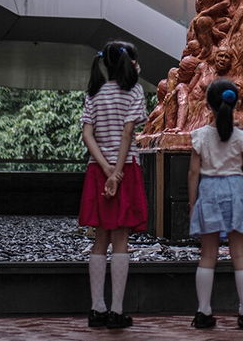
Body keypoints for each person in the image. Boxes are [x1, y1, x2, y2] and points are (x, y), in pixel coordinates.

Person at [79, 40, 148, 329]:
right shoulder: (134, 91)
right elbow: (129, 132)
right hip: (126, 169)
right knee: (121, 239)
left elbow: (87, 135)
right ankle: (117, 312)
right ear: (131, 63)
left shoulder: (94, 92)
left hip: (97, 171)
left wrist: (105, 168)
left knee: (100, 240)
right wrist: (117, 172)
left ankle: (97, 309)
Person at [187, 78, 243, 330]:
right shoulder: (241, 136)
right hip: (236, 190)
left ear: (209, 106)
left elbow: (194, 172)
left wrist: (192, 203)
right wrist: (236, 130)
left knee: (208, 255)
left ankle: (203, 311)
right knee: (240, 254)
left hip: (209, 190)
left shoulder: (200, 137)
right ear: (235, 103)